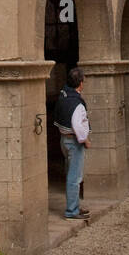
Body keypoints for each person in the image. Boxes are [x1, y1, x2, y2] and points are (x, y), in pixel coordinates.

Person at [54, 66, 90, 220]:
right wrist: (85, 140)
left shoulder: (63, 94)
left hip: (64, 139)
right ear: (80, 83)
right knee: (75, 177)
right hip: (74, 141)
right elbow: (77, 125)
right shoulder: (77, 103)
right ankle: (72, 210)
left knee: (71, 173)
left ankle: (74, 205)